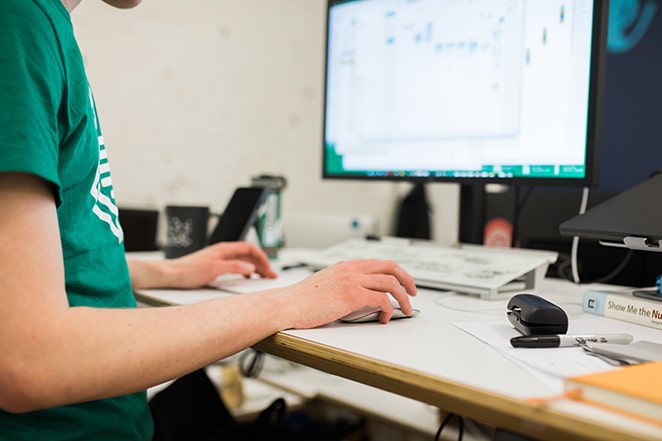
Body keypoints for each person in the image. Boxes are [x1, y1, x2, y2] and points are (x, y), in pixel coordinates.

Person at [0, 0, 417, 440]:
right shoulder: (19, 22)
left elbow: (47, 267)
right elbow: (30, 359)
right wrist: (291, 301)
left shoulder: (39, 23)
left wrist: (169, 271)